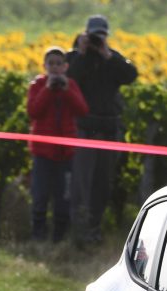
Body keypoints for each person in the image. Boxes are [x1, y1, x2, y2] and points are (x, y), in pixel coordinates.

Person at [67, 15, 138, 243]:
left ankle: (95, 228)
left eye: (101, 35)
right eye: (94, 35)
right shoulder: (75, 58)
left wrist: (108, 55)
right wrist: (82, 52)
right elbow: (70, 77)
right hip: (85, 131)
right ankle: (78, 230)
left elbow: (131, 75)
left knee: (102, 183)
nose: (98, 39)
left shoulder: (112, 59)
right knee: (81, 183)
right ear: (85, 34)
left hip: (108, 130)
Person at [26, 46, 89, 242]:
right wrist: (47, 90)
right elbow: (33, 111)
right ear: (44, 66)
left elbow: (82, 110)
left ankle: (59, 240)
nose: (54, 68)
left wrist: (66, 90)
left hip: (66, 154)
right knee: (40, 197)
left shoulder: (71, 85)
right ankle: (38, 238)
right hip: (43, 154)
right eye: (50, 64)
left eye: (58, 64)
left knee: (64, 198)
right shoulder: (37, 85)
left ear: (65, 66)